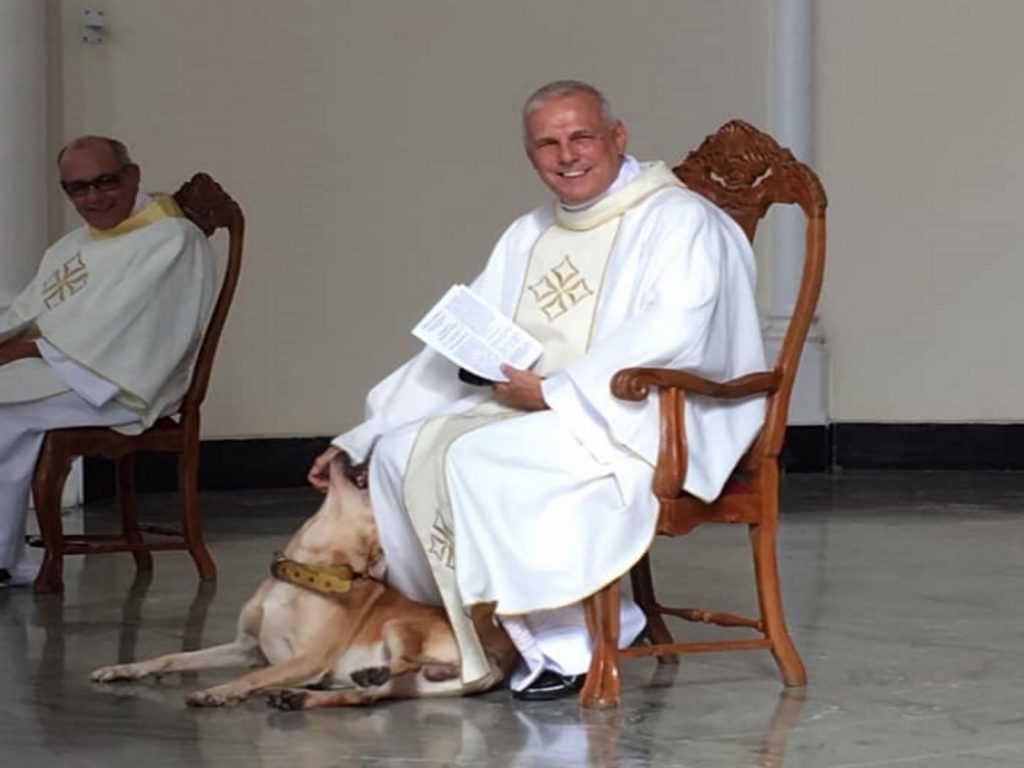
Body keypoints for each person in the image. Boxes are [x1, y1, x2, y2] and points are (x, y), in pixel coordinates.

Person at [308, 81, 767, 700]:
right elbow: (463, 336)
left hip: (647, 413)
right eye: (547, 144)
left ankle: (575, 643)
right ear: (531, 154)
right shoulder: (531, 232)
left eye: (581, 137)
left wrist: (559, 393)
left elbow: (679, 330)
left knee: (478, 459)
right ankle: (475, 634)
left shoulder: (679, 219)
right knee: (396, 454)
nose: (567, 155)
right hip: (546, 404)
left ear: (618, 137)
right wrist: (362, 437)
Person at [0, 137, 216, 587]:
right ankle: (7, 555)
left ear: (133, 175)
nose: (93, 198)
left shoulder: (171, 239)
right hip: (72, 371)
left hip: (126, 382)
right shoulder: (80, 241)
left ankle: (6, 558)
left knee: (4, 409)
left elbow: (125, 332)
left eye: (105, 182)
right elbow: (38, 312)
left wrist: (24, 350)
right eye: (78, 189)